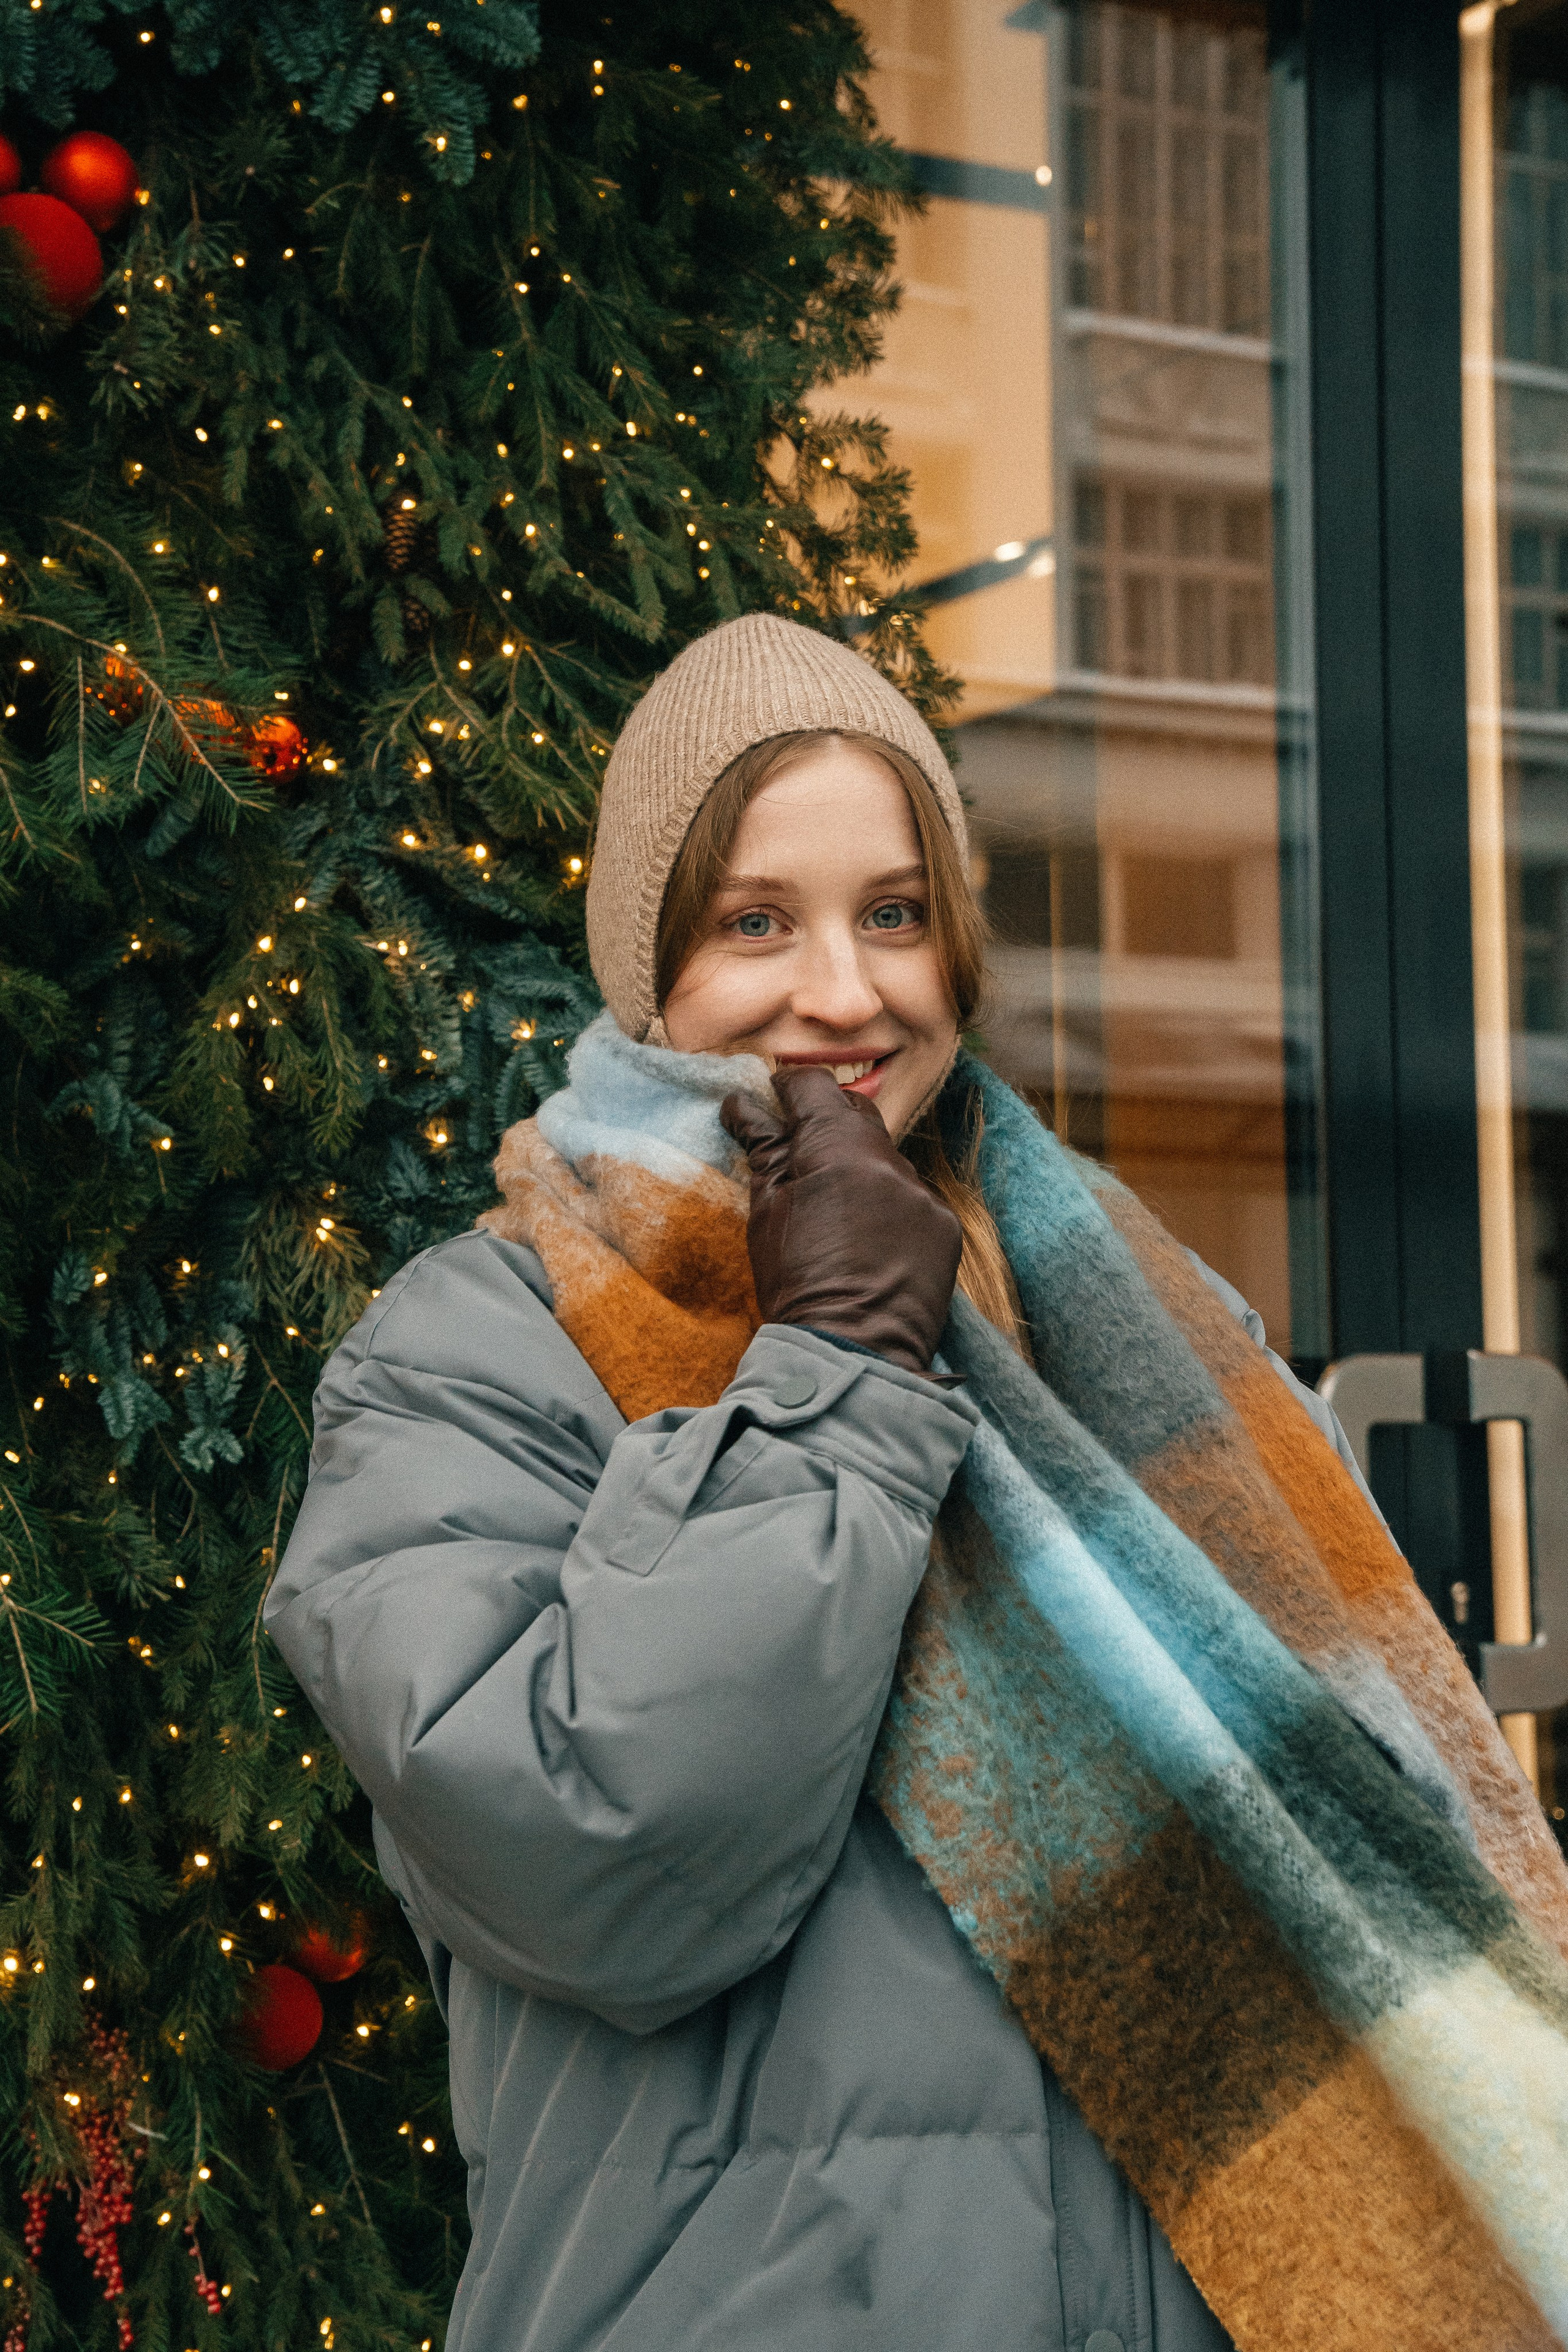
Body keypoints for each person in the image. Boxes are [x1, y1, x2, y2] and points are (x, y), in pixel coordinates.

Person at [268, 615, 1568, 2352]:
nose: (844, 990)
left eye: (893, 912)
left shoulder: (1140, 1321)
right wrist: (838, 1368)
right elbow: (609, 1859)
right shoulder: (472, 1356)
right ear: (647, 966)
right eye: (754, 922)